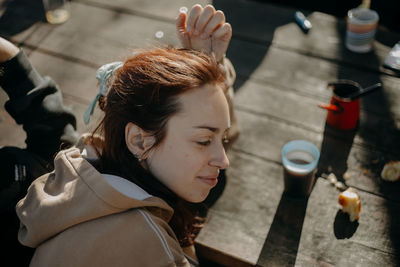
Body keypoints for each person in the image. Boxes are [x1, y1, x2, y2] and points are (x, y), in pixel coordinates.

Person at [4, 4, 239, 266]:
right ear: (138, 140)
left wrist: (203, 68)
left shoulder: (86, 173)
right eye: (204, 141)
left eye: (222, 140)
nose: (223, 159)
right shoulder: (148, 248)